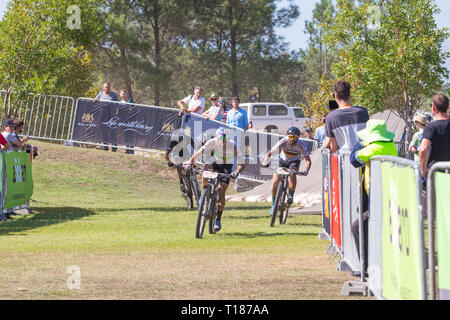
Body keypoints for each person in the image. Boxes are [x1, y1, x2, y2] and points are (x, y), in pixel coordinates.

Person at [350, 119, 398, 277]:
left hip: (379, 200)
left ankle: (366, 268)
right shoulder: (390, 146)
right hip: (384, 197)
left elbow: (354, 159)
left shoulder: (373, 148)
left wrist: (360, 144)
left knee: (357, 227)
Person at [187, 127, 245, 232]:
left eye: (225, 141)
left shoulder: (233, 145)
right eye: (221, 141)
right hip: (215, 162)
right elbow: (199, 151)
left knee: (221, 190)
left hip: (226, 166)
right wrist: (191, 161)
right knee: (206, 169)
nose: (223, 144)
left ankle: (218, 220)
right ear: (217, 139)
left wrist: (236, 172)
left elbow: (242, 163)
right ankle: (204, 194)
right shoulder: (212, 142)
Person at [262, 126, 311, 215]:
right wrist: (265, 162)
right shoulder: (283, 141)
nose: (292, 139)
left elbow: (308, 160)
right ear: (287, 136)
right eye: (290, 137)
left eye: (294, 137)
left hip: (294, 161)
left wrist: (306, 170)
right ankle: (273, 205)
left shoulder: (301, 144)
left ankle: (290, 195)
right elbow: (270, 152)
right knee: (275, 180)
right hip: (282, 160)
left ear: (298, 138)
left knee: (293, 173)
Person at [325, 80, 369, 153]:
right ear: (349, 94)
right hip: (363, 158)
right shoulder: (363, 111)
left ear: (336, 95)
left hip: (344, 159)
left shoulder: (330, 117)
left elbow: (334, 148)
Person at [419, 94, 450, 180]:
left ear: (433, 108)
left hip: (437, 175)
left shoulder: (431, 127)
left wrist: (423, 169)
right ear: (447, 107)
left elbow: (423, 149)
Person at [94, 82, 119, 152]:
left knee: (112, 132)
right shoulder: (100, 94)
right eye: (105, 87)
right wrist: (95, 99)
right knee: (104, 131)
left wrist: (116, 113)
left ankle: (114, 148)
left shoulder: (113, 95)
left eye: (108, 87)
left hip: (111, 116)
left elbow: (117, 104)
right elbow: (94, 100)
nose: (106, 88)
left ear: (109, 88)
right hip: (102, 116)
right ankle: (105, 147)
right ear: (103, 87)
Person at [120, 89, 135, 155]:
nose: (123, 95)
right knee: (125, 135)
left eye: (124, 94)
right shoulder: (119, 102)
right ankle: (127, 149)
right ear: (120, 95)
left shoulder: (130, 101)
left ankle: (131, 150)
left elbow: (134, 109)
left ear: (126, 94)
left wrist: (129, 110)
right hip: (122, 121)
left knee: (130, 135)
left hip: (130, 121)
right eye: (122, 94)